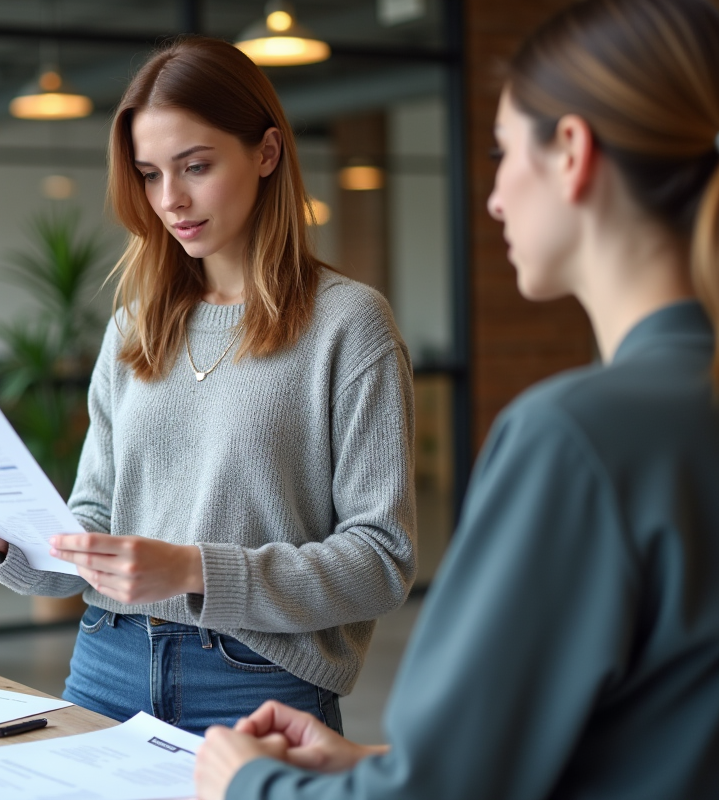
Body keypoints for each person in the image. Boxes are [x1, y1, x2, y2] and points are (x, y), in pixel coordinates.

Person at [193, 0, 719, 797]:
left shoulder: (577, 438)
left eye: (504, 151)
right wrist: (372, 763)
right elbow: (654, 733)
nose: (497, 197)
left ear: (572, 152)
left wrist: (250, 784)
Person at [0, 38, 417, 736]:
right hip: (107, 659)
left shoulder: (348, 324)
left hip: (255, 680)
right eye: (150, 175)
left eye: (197, 166)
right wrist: (0, 537)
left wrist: (192, 570)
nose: (170, 200)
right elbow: (90, 529)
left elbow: (382, 561)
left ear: (267, 153)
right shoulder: (134, 327)